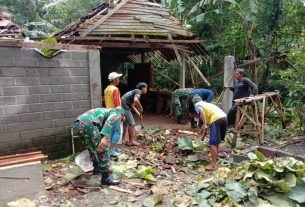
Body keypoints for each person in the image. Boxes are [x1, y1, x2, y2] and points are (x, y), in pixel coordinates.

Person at [73, 108, 124, 185]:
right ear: (122, 115)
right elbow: (111, 120)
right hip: (88, 124)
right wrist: (105, 137)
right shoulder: (117, 112)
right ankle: (106, 178)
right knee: (102, 149)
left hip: (78, 123)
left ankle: (96, 169)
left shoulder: (104, 111)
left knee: (92, 147)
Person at [192, 94, 227, 171]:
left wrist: (204, 124)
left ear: (193, 102)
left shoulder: (197, 105)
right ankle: (216, 158)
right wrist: (203, 134)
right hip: (224, 118)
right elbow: (208, 125)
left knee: (212, 143)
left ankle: (213, 165)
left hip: (216, 119)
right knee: (216, 141)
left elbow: (202, 113)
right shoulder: (207, 105)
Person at [104, 72, 123, 157]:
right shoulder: (115, 89)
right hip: (115, 113)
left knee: (112, 131)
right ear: (114, 80)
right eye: (118, 78)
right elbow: (117, 104)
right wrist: (122, 113)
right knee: (117, 131)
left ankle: (113, 148)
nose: (119, 80)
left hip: (108, 112)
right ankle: (111, 150)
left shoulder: (107, 89)